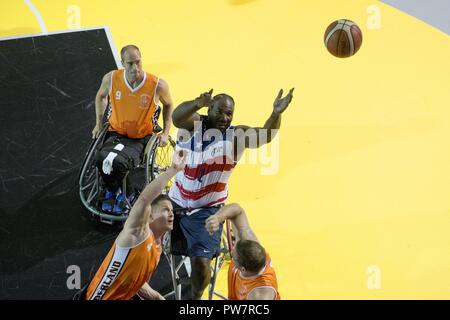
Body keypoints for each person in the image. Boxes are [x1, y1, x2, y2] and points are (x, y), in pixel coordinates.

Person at [168, 88, 293, 299]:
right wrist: (198, 102)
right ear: (210, 109)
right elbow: (176, 117)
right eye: (220, 112)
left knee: (201, 262)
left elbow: (265, 135)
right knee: (140, 233)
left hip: (206, 209)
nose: (225, 118)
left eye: (229, 114)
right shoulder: (193, 124)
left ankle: (196, 298)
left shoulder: (236, 136)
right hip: (175, 199)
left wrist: (275, 114)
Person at [84, 150, 186, 300]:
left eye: (171, 210)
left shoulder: (158, 247)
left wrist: (156, 297)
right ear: (150, 216)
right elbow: (144, 199)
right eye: (165, 210)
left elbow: (133, 280)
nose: (171, 214)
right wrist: (173, 170)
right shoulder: (137, 234)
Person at [92, 44, 174, 214]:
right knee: (101, 158)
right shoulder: (111, 79)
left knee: (119, 163)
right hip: (115, 132)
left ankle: (128, 194)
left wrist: (165, 132)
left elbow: (169, 104)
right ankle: (112, 189)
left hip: (141, 137)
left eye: (138, 62)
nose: (135, 67)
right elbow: (100, 97)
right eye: (130, 63)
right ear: (122, 63)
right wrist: (98, 124)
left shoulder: (157, 85)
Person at [205, 203, 280, 300]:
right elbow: (237, 210)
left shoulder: (259, 295)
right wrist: (217, 218)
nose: (231, 250)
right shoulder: (250, 244)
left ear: (242, 269)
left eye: (234, 257)